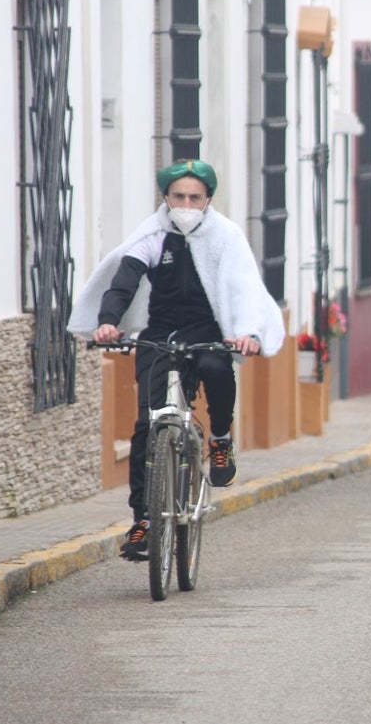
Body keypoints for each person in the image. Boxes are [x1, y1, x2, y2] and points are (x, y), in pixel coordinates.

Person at [68, 159, 285, 559]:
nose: (186, 203)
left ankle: (220, 437)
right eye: (178, 196)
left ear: (208, 200)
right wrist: (107, 322)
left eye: (194, 197)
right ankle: (144, 521)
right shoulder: (152, 237)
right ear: (166, 198)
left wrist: (248, 333)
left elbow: (244, 287)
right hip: (160, 334)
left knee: (216, 369)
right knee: (145, 426)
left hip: (208, 331)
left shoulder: (226, 236)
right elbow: (123, 281)